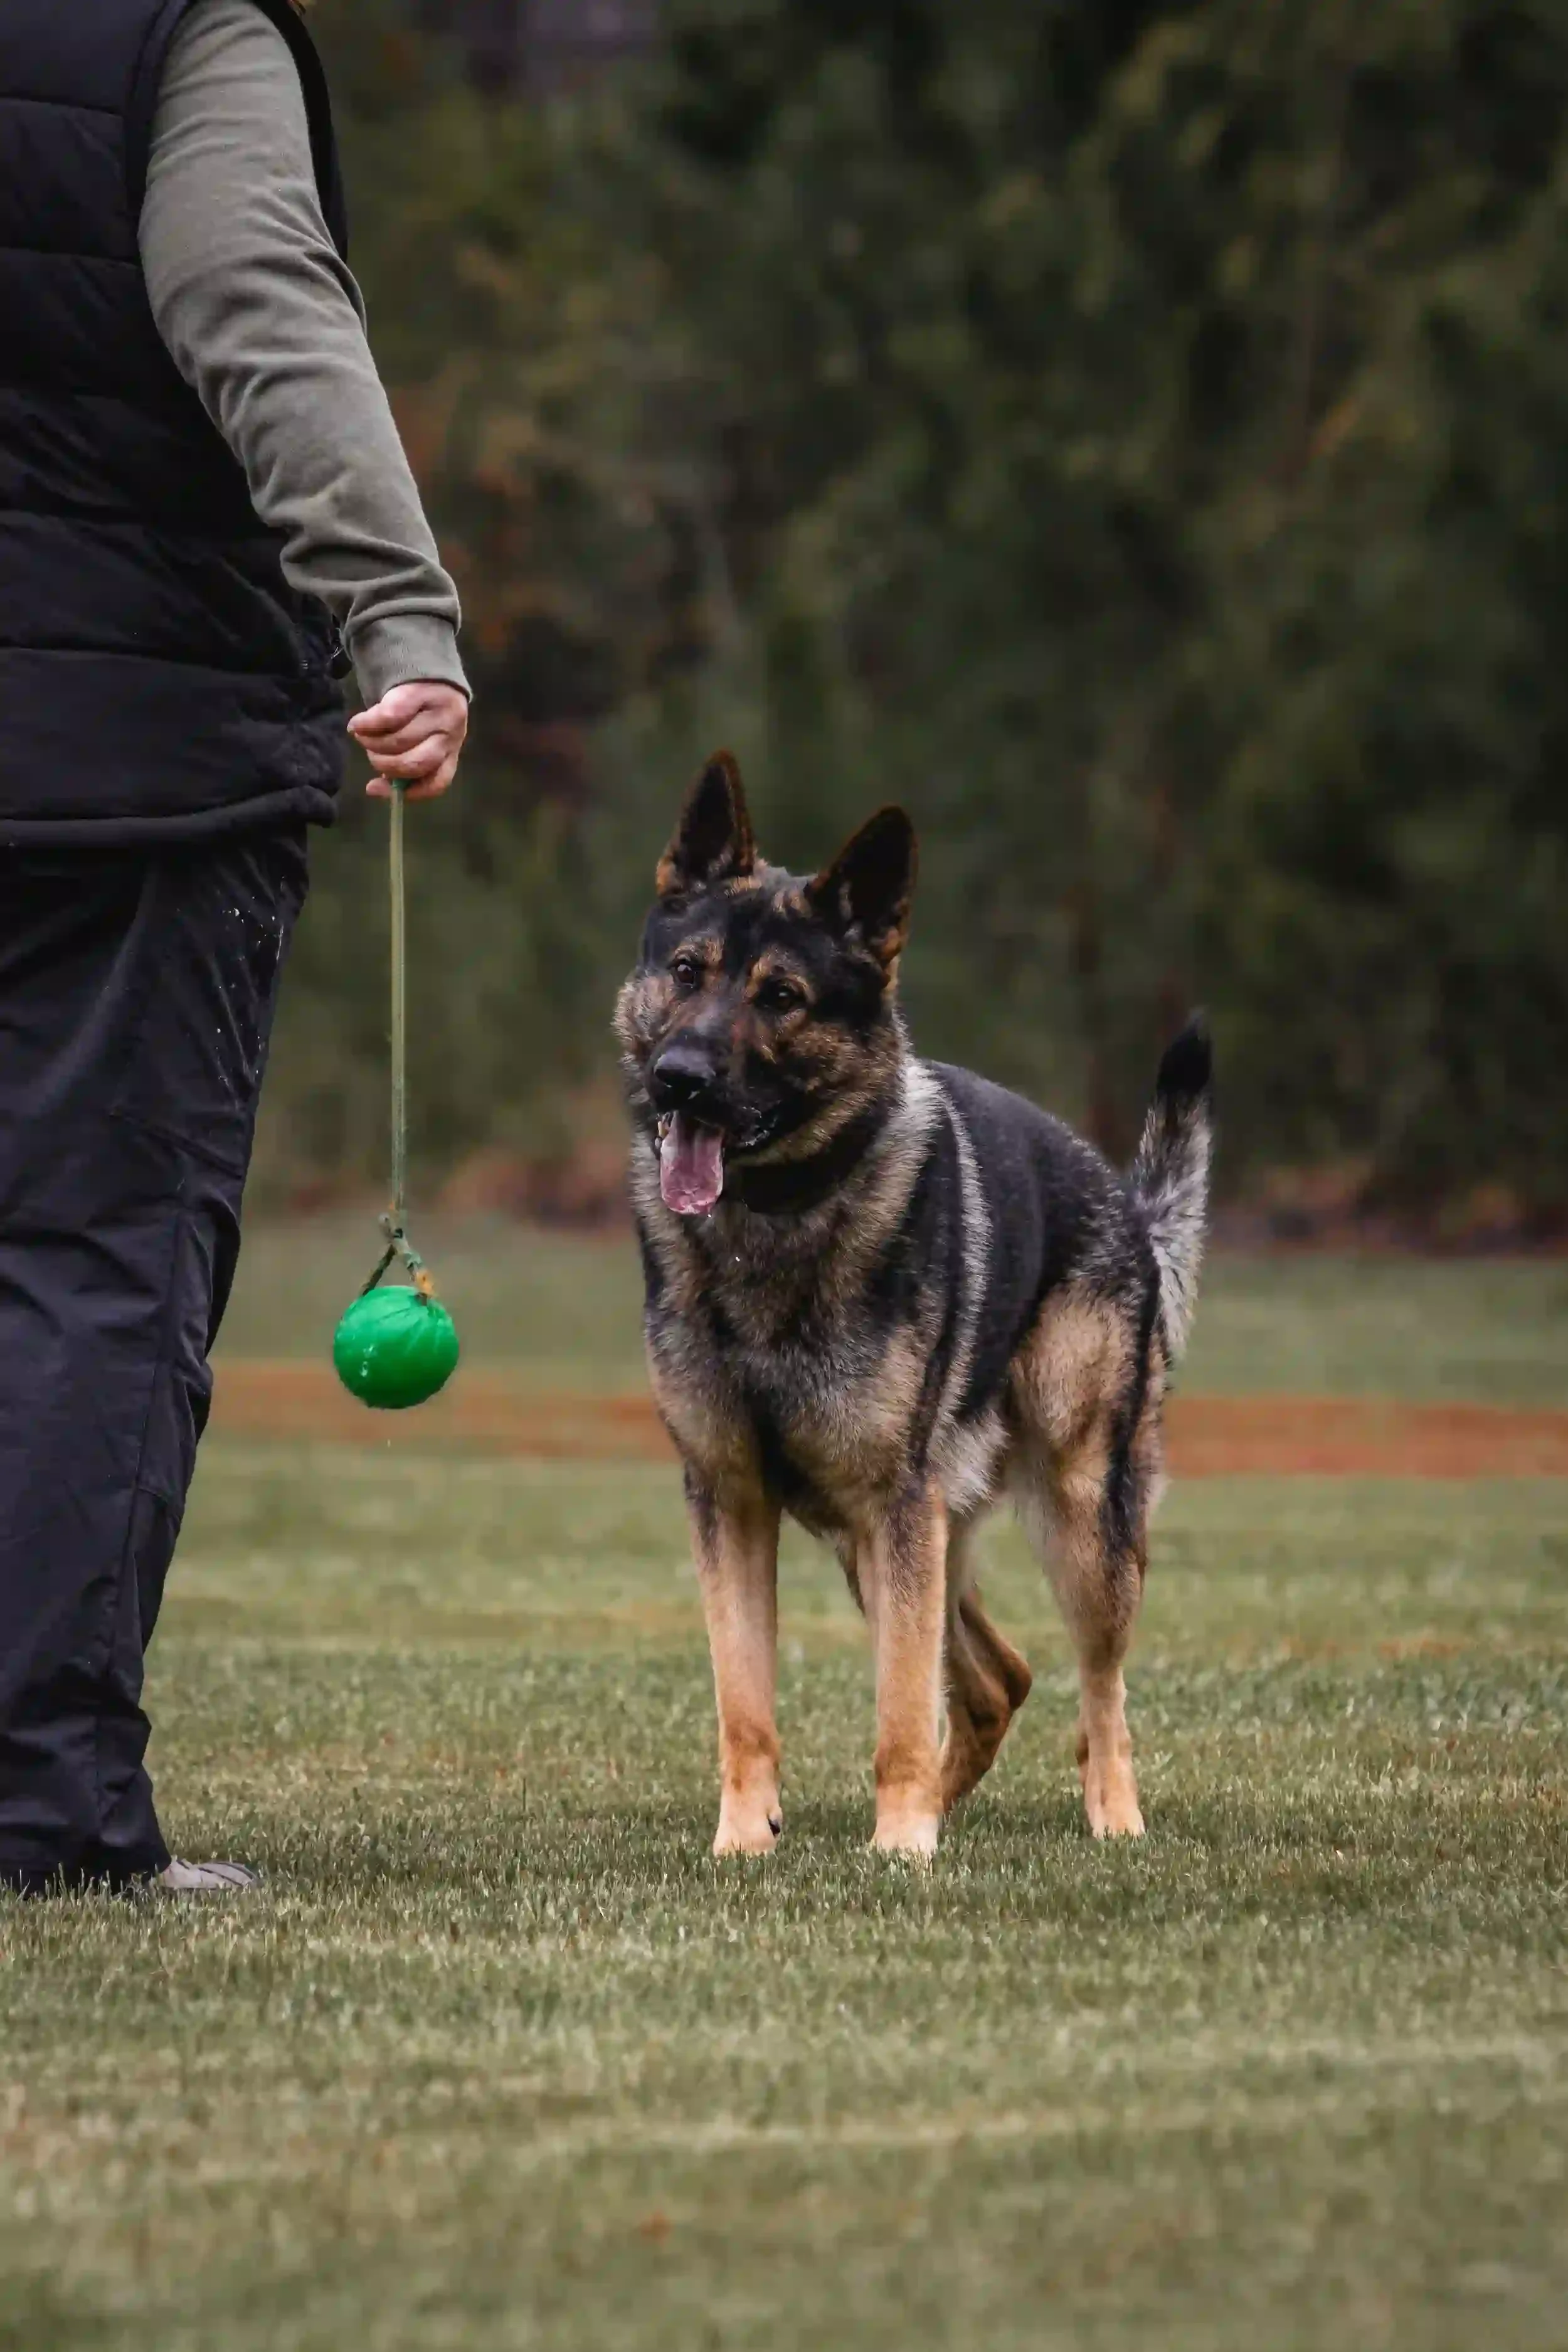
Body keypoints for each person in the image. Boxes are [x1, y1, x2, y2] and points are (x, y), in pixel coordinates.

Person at [0, 0, 470, 1894]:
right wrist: (402, 618)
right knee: (89, 1269)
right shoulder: (170, 37)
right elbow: (254, 300)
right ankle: (41, 1817)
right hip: (127, 770)